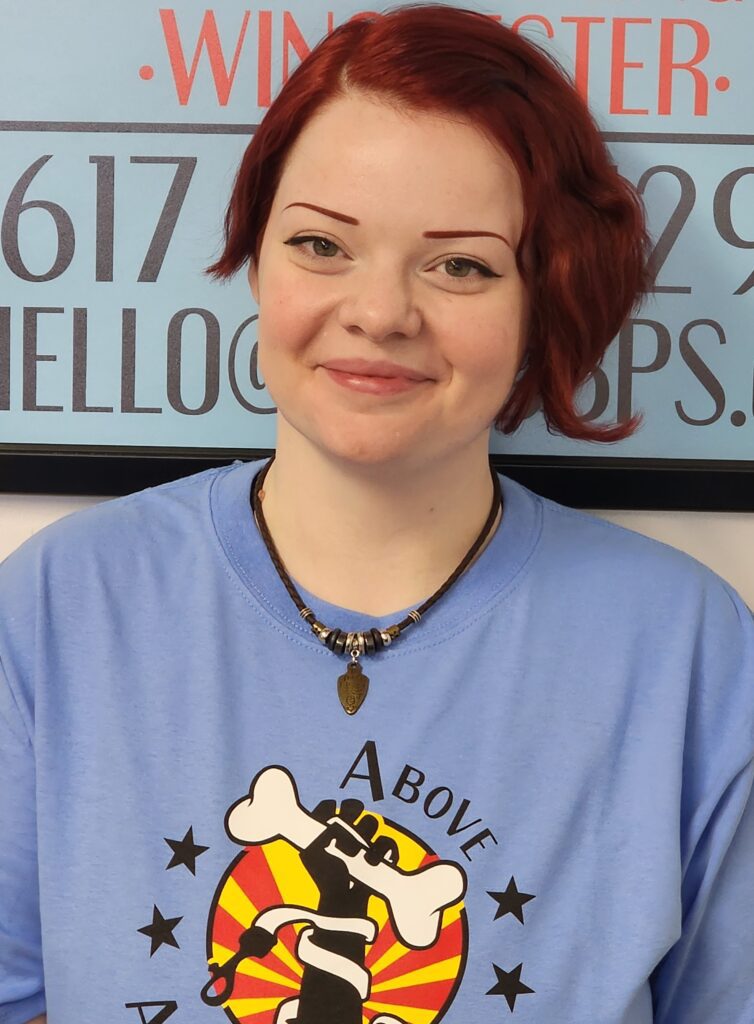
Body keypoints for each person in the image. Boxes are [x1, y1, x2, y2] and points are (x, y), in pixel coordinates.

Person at [2, 5, 753, 1023]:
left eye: (461, 265)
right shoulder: (58, 603)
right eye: (321, 244)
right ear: (256, 258)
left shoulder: (689, 652)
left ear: (545, 299)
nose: (379, 312)